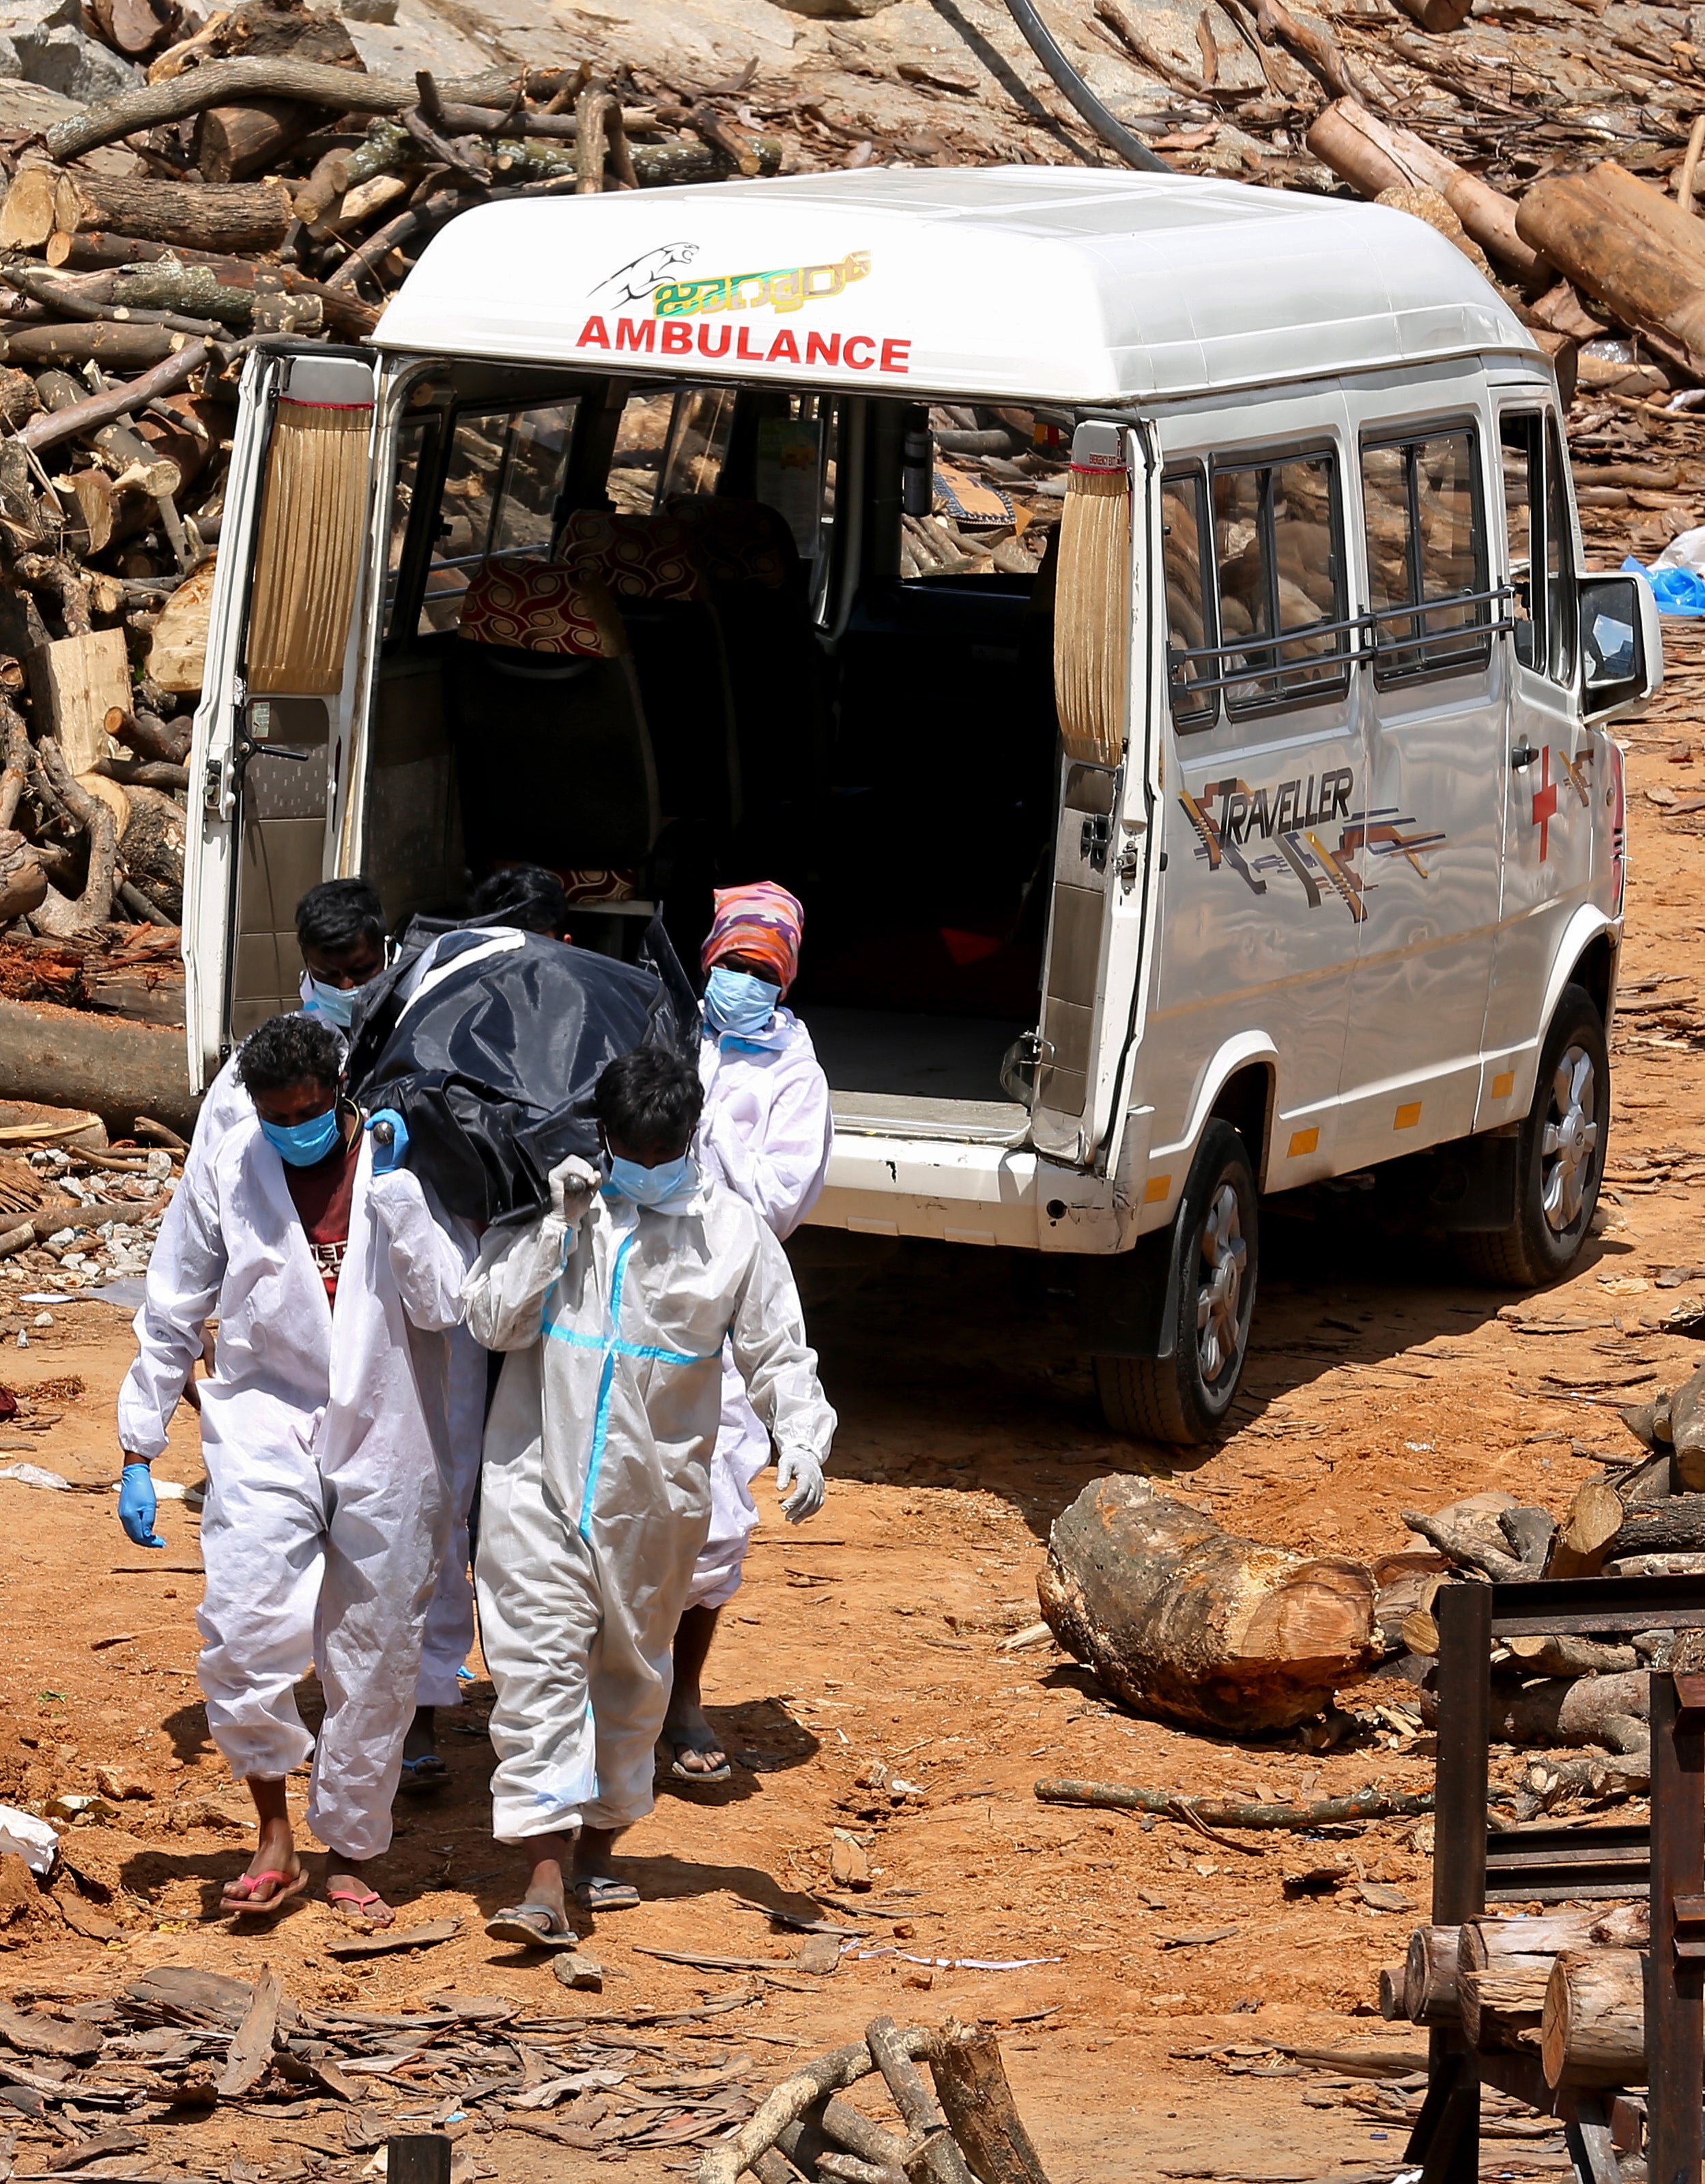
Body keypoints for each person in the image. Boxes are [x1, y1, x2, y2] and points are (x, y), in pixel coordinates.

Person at [464, 1046, 835, 1938]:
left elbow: (778, 1353)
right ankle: (545, 1882)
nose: (646, 1164)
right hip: (535, 1493)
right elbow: (487, 1317)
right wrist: (556, 1228)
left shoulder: (732, 1235)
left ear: (689, 1140)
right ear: (605, 1137)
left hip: (650, 1506)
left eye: (661, 1149)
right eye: (630, 1147)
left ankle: (598, 1850)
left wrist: (804, 1432)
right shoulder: (555, 1211)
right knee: (538, 1675)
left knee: (629, 1679)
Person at [117, 1015, 473, 1926]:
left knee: (376, 1652)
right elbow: (173, 1295)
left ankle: (352, 1845)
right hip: (262, 1419)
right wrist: (138, 1440)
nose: (296, 1128)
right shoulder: (234, 1161)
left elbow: (447, 1305)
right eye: (280, 1115)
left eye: (313, 1110)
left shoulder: (406, 1160)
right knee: (241, 1629)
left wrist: (394, 1196)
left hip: (391, 1433)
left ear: (340, 1092)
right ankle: (272, 1834)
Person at [663, 881, 833, 1781]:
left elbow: (779, 1199)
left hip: (726, 1298)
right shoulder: (666, 1032)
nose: (742, 982)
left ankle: (682, 1698)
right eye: (731, 964)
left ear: (786, 980)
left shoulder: (793, 1075)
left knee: (715, 1514)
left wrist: (713, 1143)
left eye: (761, 971)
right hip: (634, 1285)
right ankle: (610, 1703)